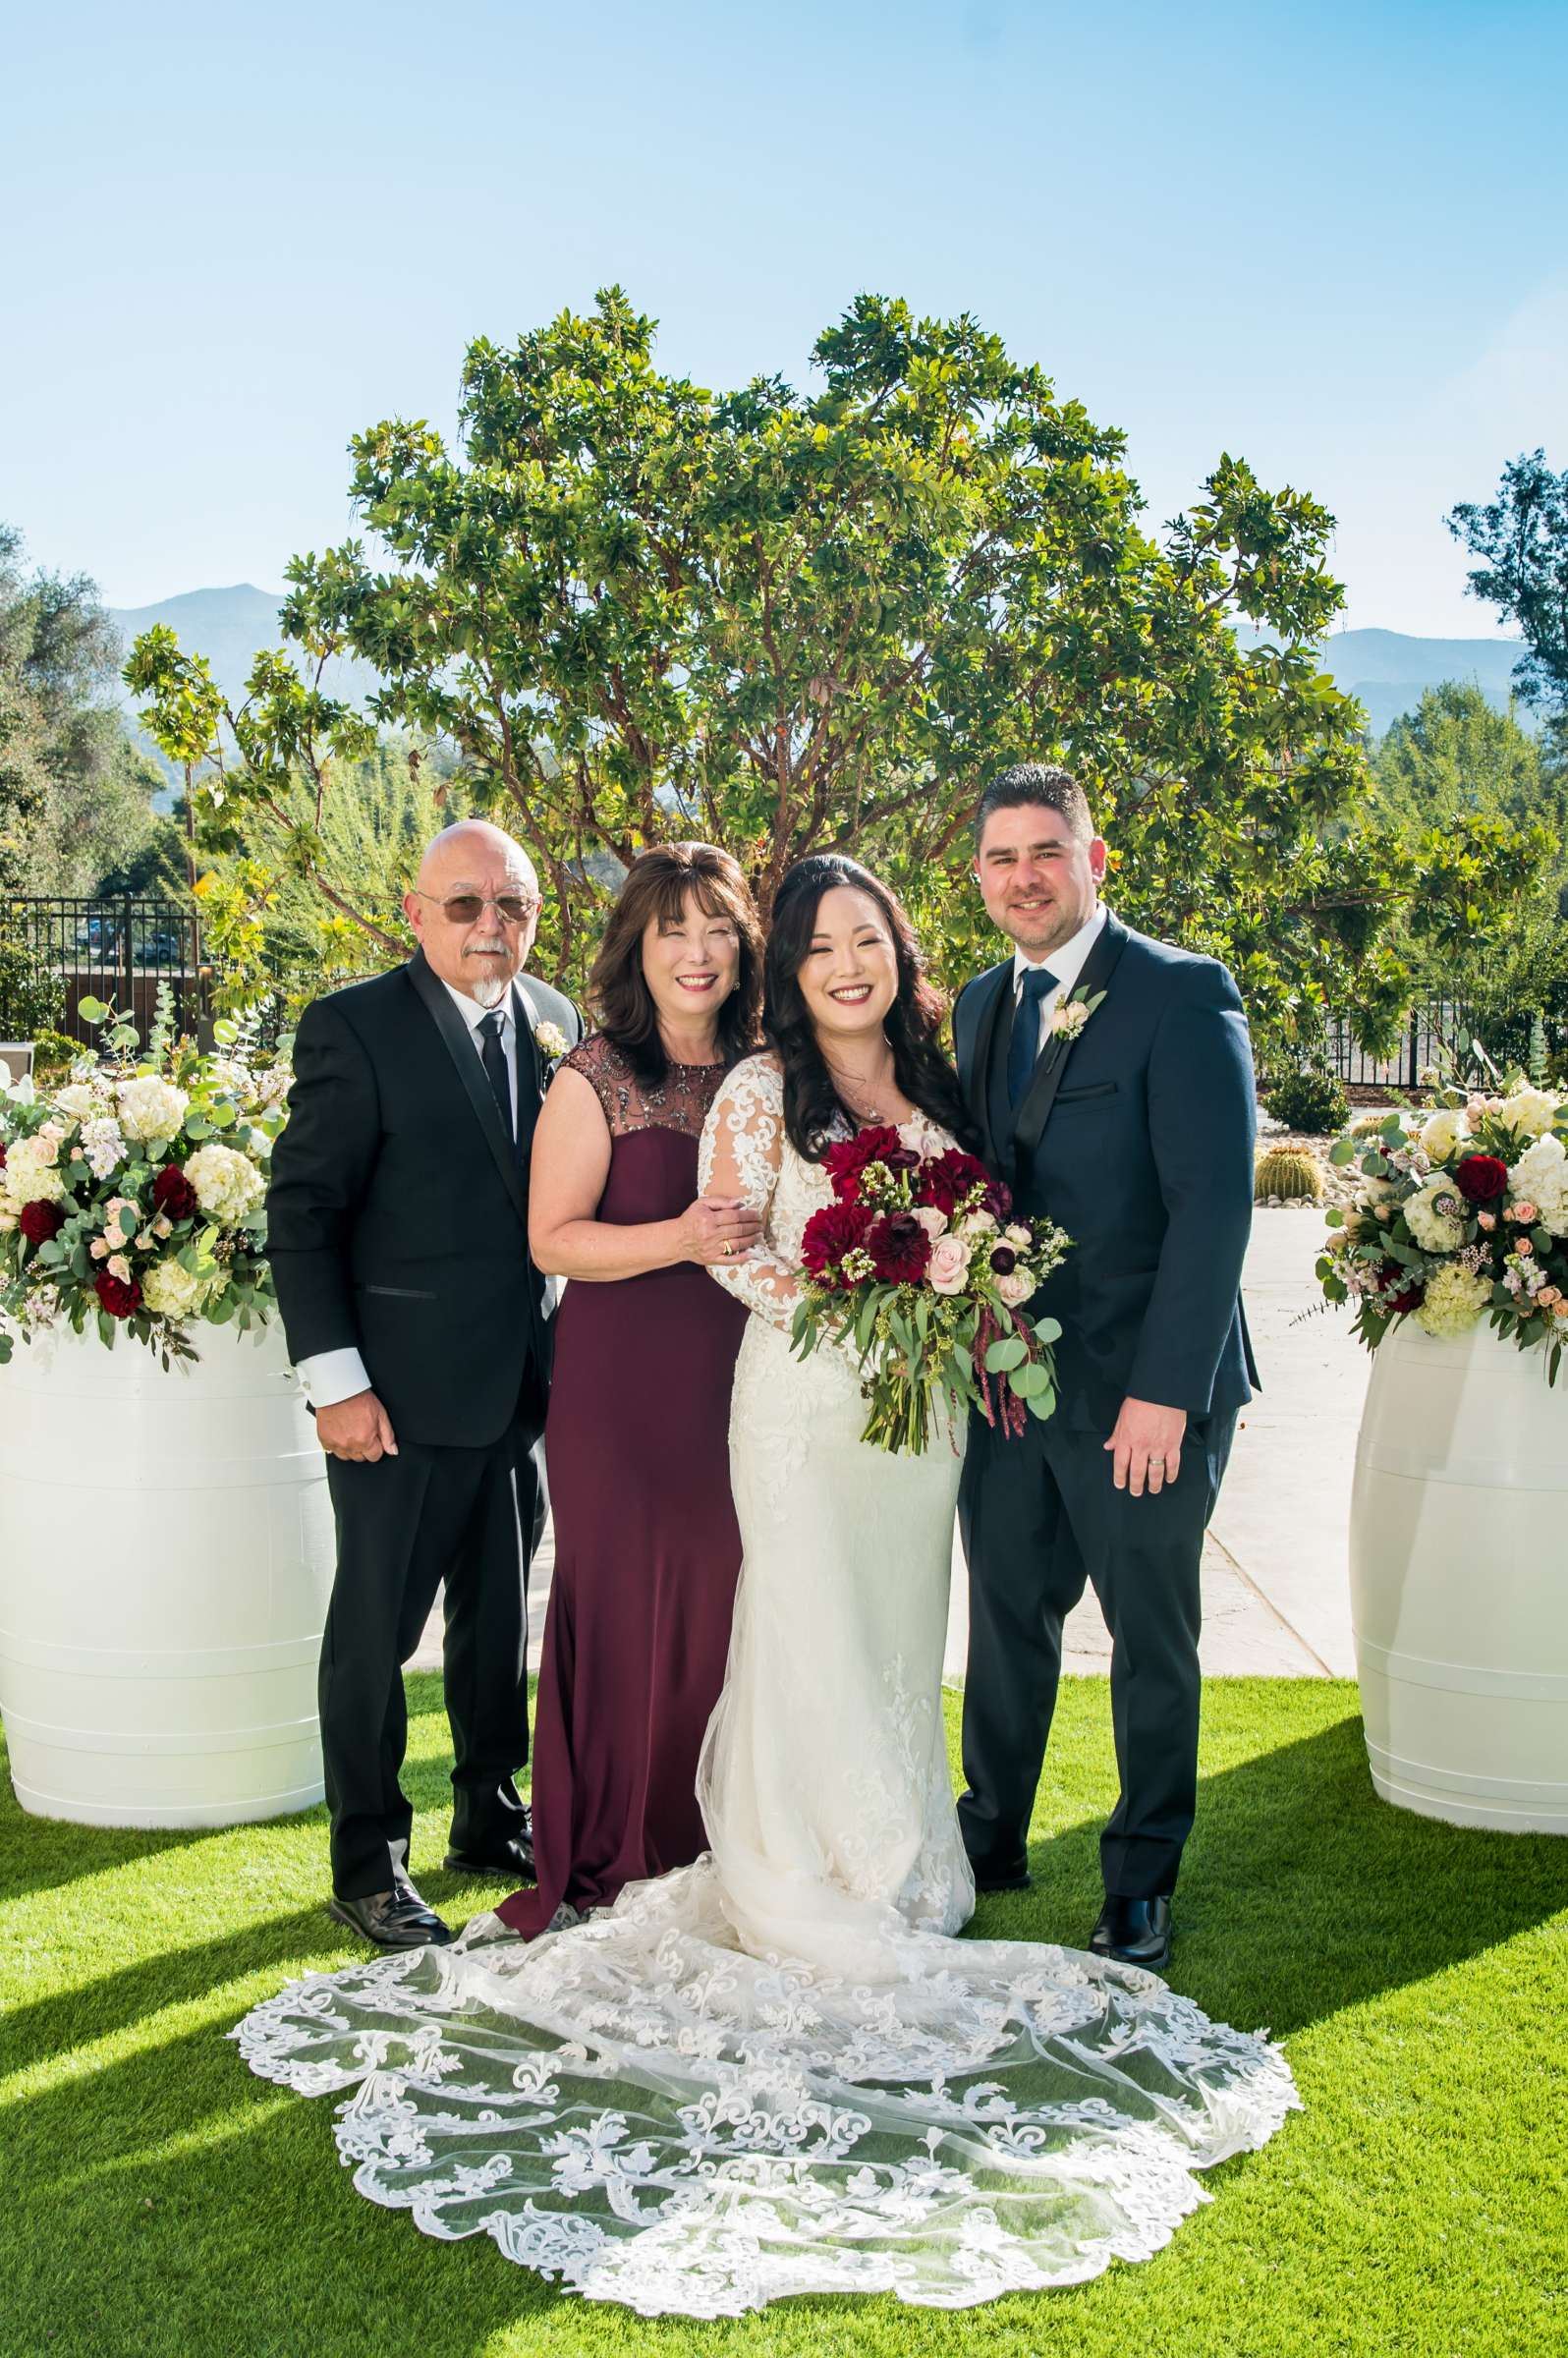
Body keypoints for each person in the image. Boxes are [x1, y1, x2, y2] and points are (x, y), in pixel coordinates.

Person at [235, 851, 1295, 2318]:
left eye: (865, 941)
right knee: (759, 1622)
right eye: (815, 946)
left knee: (883, 1631)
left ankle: (908, 1848)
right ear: (782, 969)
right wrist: (873, 1297)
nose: (839, 964)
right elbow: (728, 1247)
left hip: (915, 1425)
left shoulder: (946, 1061)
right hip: (783, 1395)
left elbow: (993, 1227)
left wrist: (959, 1304)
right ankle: (714, 1858)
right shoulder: (707, 1080)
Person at [953, 762, 1260, 1970]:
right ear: (979, 876)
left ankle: (1140, 1877)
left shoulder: (1181, 995)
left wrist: (1166, 1394)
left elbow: (1214, 1209)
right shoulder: (981, 1005)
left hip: (1146, 1391)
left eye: (1046, 852)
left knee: (1150, 1635)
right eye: (1001, 859)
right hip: (1013, 1387)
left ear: (1094, 859)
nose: (1025, 877)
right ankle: (990, 1836)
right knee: (1005, 1617)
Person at [266, 819, 582, 1951]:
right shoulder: (352, 1026)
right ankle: (367, 1862)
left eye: (515, 906)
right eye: (465, 906)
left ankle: (489, 1814)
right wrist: (336, 1384)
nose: (492, 928)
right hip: (390, 1404)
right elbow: (302, 1220)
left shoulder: (557, 1022)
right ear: (416, 911)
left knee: (498, 1626)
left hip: (519, 1391)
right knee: (375, 1633)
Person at [495, 843, 763, 1937]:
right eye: (672, 932)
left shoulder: (771, 1068)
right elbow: (551, 1241)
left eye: (715, 930)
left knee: (729, 1609)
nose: (695, 954)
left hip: (749, 1389)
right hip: (621, 1396)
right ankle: (614, 1845)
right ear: (637, 949)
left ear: (745, 946)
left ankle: (725, 1840)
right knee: (624, 1606)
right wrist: (685, 1236)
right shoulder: (595, 1074)